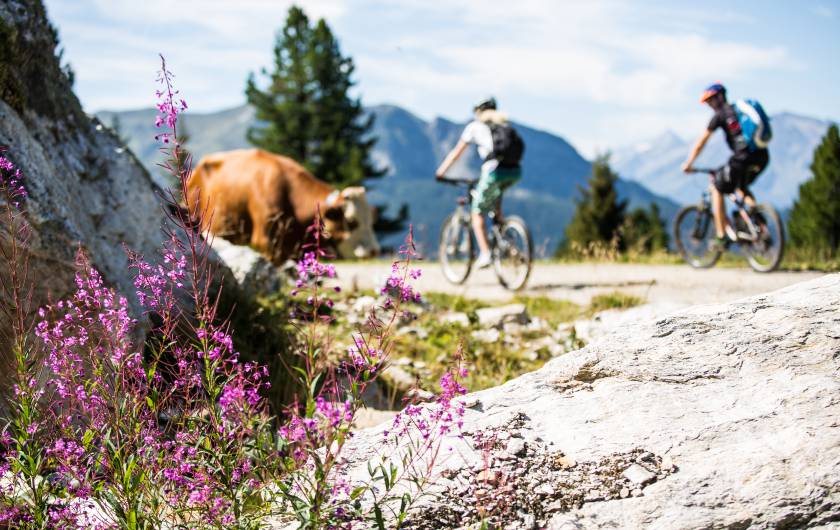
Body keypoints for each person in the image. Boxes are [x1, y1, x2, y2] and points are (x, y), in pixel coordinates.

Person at [435, 97, 522, 268]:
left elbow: (456, 153)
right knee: (496, 210)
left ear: (479, 112)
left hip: (493, 171)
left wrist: (441, 172)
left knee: (477, 213)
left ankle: (485, 254)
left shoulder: (475, 127)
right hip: (514, 171)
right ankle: (508, 242)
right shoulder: (504, 124)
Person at [681, 83, 769, 249]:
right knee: (741, 187)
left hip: (742, 158)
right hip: (762, 156)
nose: (709, 105)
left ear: (719, 97)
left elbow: (701, 142)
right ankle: (759, 226)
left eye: (710, 101)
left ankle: (721, 236)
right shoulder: (738, 111)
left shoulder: (721, 115)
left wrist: (689, 163)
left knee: (717, 187)